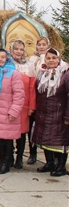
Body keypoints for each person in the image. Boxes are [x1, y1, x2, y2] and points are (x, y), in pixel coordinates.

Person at [0, 48, 25, 174]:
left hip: (7, 111)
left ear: (7, 58)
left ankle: (6, 163)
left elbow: (19, 95)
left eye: (3, 57)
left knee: (7, 138)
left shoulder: (14, 73)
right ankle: (1, 161)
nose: (0, 59)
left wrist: (14, 111)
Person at [32, 48, 69, 177]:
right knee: (45, 139)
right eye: (48, 58)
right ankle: (50, 163)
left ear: (58, 59)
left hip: (59, 113)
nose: (51, 60)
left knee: (60, 141)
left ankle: (61, 166)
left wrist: (67, 116)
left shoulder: (65, 73)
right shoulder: (43, 73)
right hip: (44, 112)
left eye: (54, 58)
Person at [9, 39, 37, 168]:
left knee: (21, 132)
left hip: (24, 105)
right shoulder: (7, 64)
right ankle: (8, 157)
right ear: (11, 50)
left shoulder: (29, 66)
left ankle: (19, 158)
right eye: (16, 49)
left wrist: (32, 106)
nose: (19, 52)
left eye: (21, 49)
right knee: (9, 131)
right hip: (9, 104)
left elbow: (32, 88)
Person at [26, 36, 50, 164]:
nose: (41, 47)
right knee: (31, 127)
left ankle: (51, 157)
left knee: (46, 128)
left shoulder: (50, 59)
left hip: (45, 96)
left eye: (43, 44)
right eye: (39, 44)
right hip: (33, 94)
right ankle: (32, 153)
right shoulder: (32, 60)